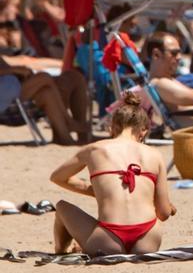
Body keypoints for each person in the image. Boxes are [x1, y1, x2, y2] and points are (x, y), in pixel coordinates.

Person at [48, 92, 176, 255]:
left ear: (111, 127)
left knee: (61, 207)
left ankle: (61, 250)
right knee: (153, 216)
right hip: (147, 241)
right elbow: (163, 213)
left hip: (106, 241)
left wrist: (94, 191)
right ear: (144, 131)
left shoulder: (94, 149)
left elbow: (57, 177)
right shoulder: (155, 155)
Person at [0, 56, 90, 145]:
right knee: (44, 77)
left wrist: (19, 72)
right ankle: (68, 122)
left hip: (13, 89)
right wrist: (14, 70)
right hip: (6, 98)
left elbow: (6, 68)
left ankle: (67, 138)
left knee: (49, 90)